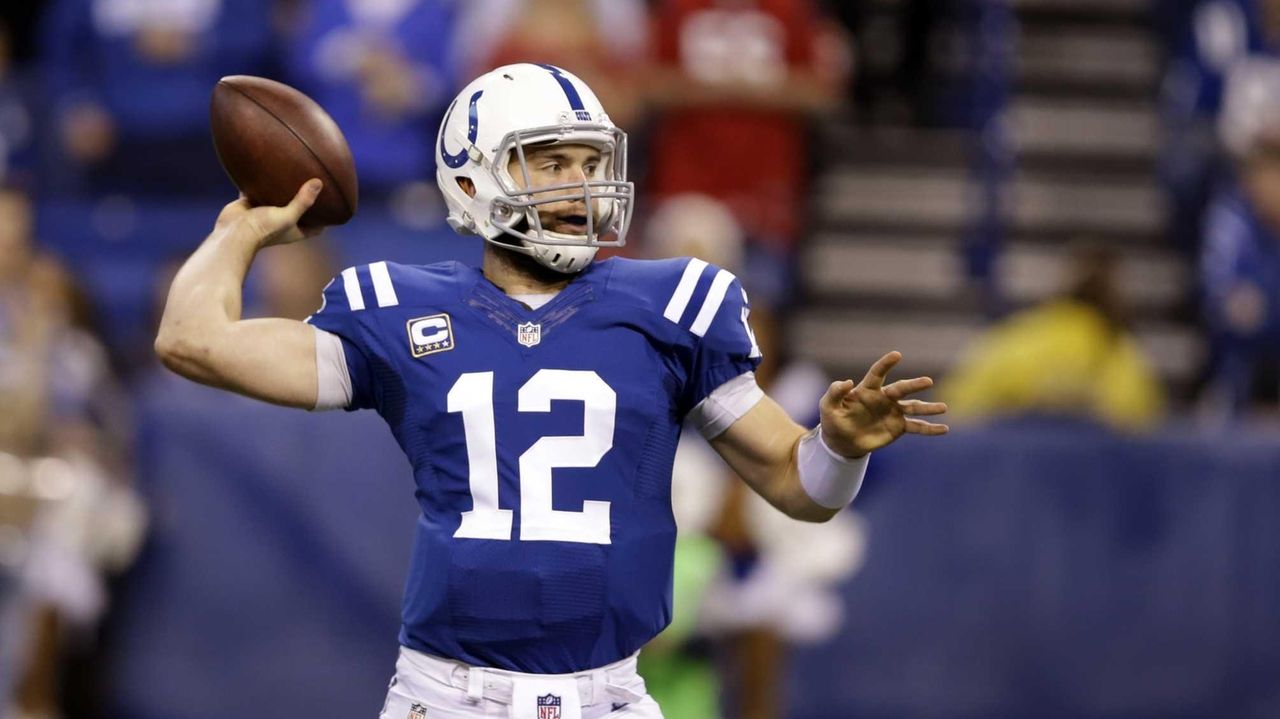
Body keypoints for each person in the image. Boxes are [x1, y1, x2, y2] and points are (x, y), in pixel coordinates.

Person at [154, 63, 947, 718]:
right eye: (552, 162)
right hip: (449, 694)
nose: (580, 186)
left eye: (592, 163)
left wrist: (839, 447)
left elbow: (798, 486)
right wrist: (243, 227)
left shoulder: (669, 307)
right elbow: (192, 340)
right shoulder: (400, 310)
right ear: (473, 178)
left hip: (611, 693)